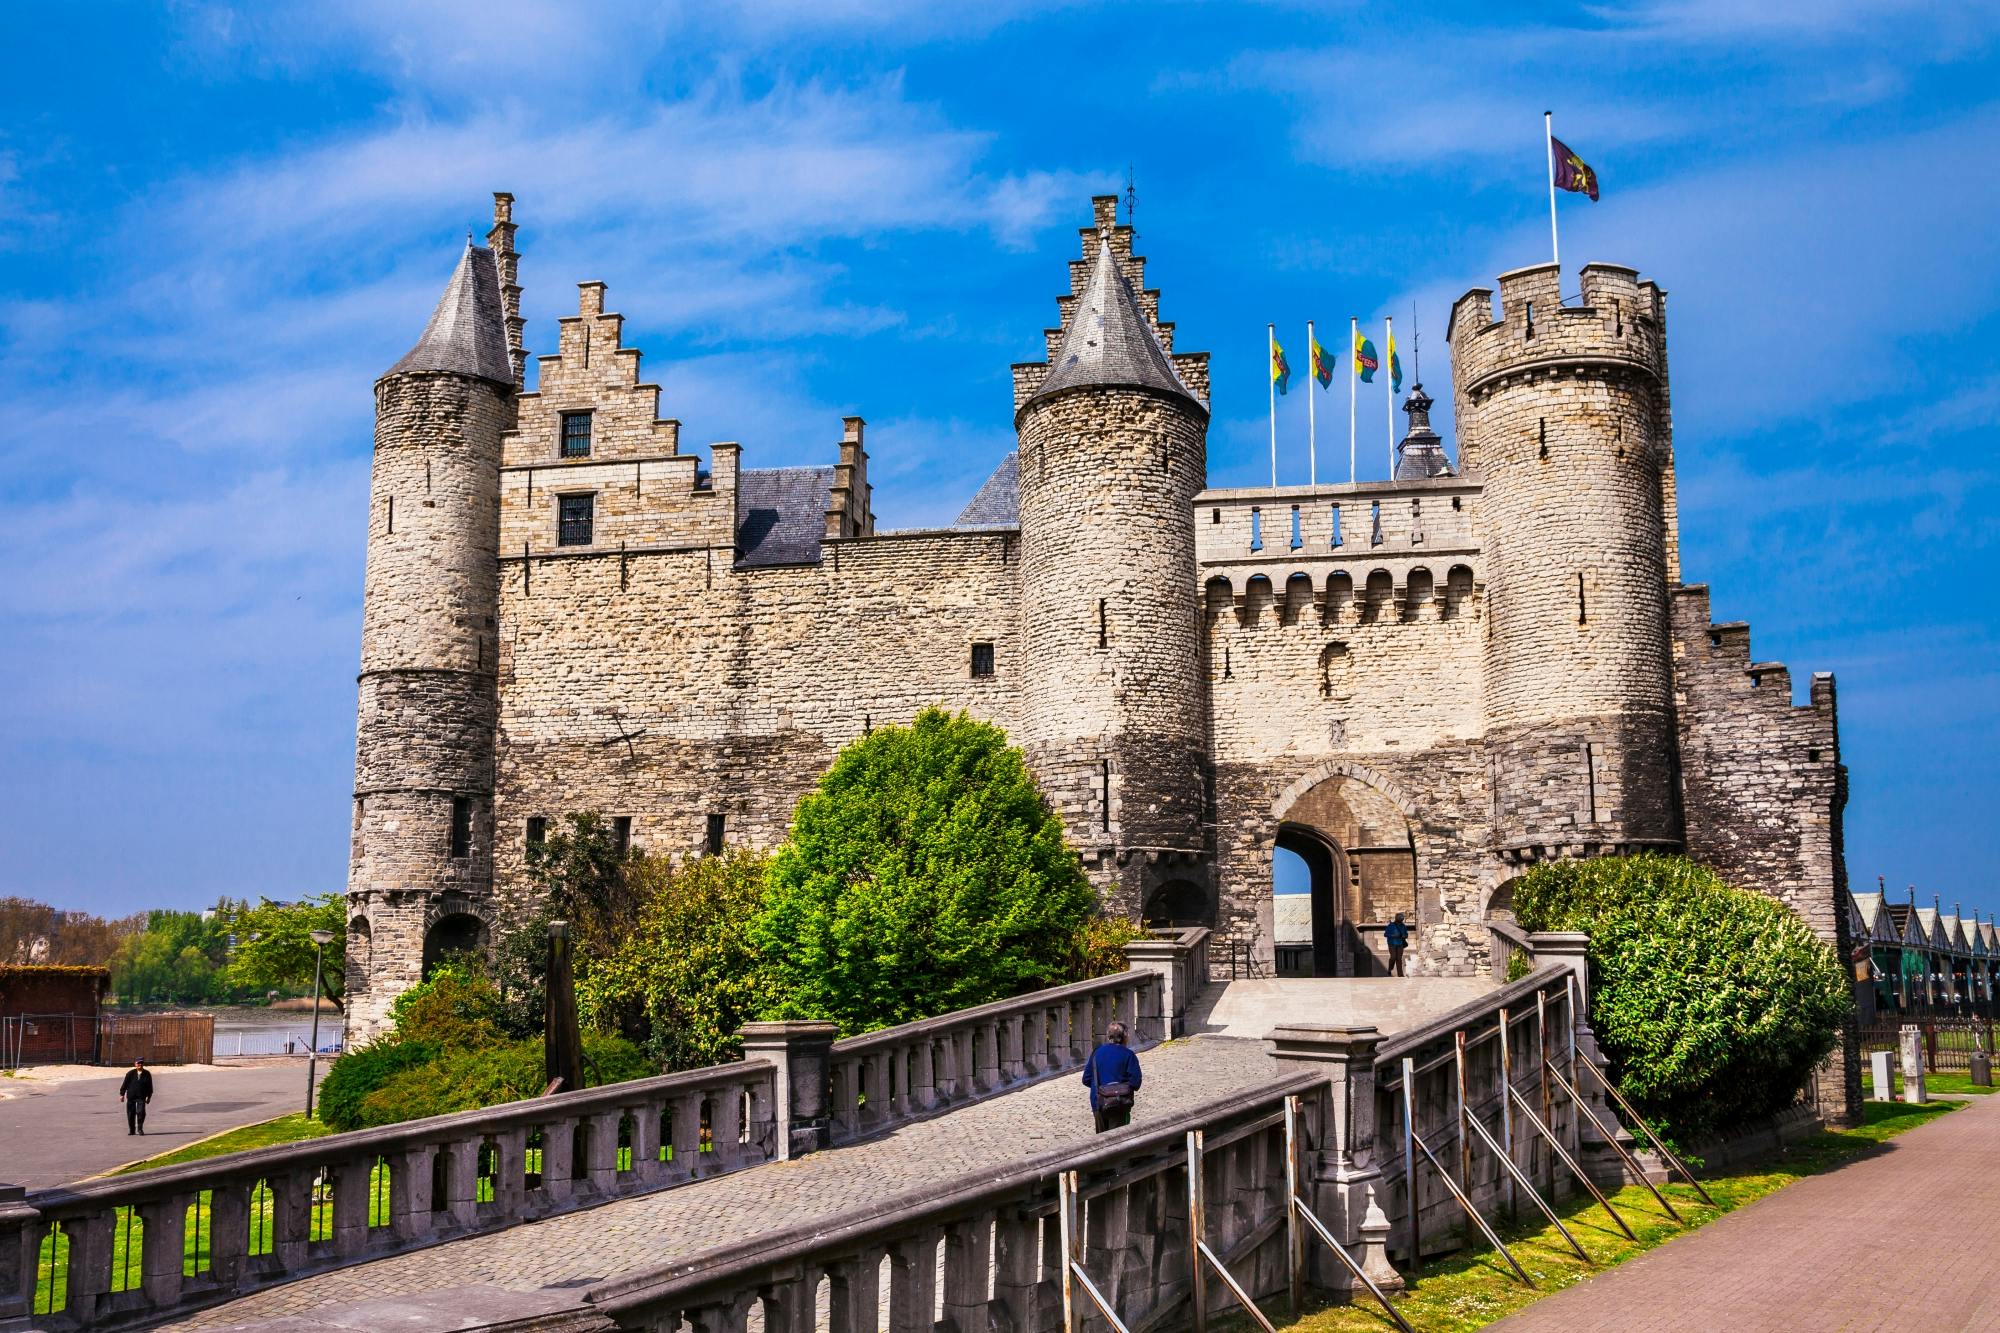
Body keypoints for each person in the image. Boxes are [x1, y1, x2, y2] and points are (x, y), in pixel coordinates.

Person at [1081, 1021, 1142, 1133]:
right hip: (1120, 1103)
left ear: (1108, 1036)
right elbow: (1135, 1082)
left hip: (1098, 1102)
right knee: (1118, 1140)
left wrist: (1103, 1090)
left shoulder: (1097, 1053)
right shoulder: (1128, 1054)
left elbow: (1086, 1079)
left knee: (1101, 1142)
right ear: (1124, 1037)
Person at [119, 1059, 153, 1135]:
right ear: (135, 1064)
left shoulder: (147, 1074)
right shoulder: (130, 1074)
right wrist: (122, 1094)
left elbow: (150, 1086)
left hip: (141, 1096)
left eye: (141, 1063)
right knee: (131, 1113)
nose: (139, 1065)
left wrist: (149, 1096)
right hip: (131, 1096)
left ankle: (140, 1129)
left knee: (141, 1112)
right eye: (138, 1063)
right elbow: (125, 1084)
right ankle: (132, 1130)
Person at [1384, 913, 1411, 977]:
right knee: (1393, 957)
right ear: (1396, 918)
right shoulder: (1391, 925)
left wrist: (1405, 936)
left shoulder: (1403, 926)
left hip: (1400, 943)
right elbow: (1385, 934)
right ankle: (1390, 969)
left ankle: (1400, 974)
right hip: (1392, 943)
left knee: (1399, 958)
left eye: (1402, 917)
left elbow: (1406, 934)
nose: (1402, 918)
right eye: (1400, 917)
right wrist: (1393, 935)